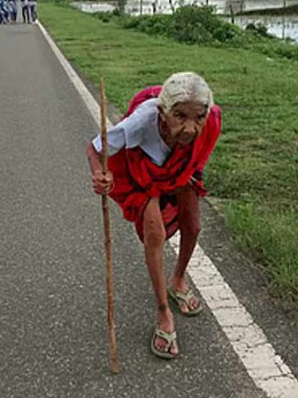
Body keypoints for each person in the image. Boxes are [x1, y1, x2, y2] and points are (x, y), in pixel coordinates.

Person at [86, 72, 222, 359]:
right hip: (144, 169)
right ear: (162, 113)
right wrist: (99, 174)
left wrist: (190, 176)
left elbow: (197, 154)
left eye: (197, 117)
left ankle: (178, 279)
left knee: (194, 225)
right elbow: (95, 149)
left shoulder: (210, 121)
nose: (189, 128)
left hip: (178, 166)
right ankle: (163, 313)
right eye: (180, 116)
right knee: (154, 234)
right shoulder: (141, 122)